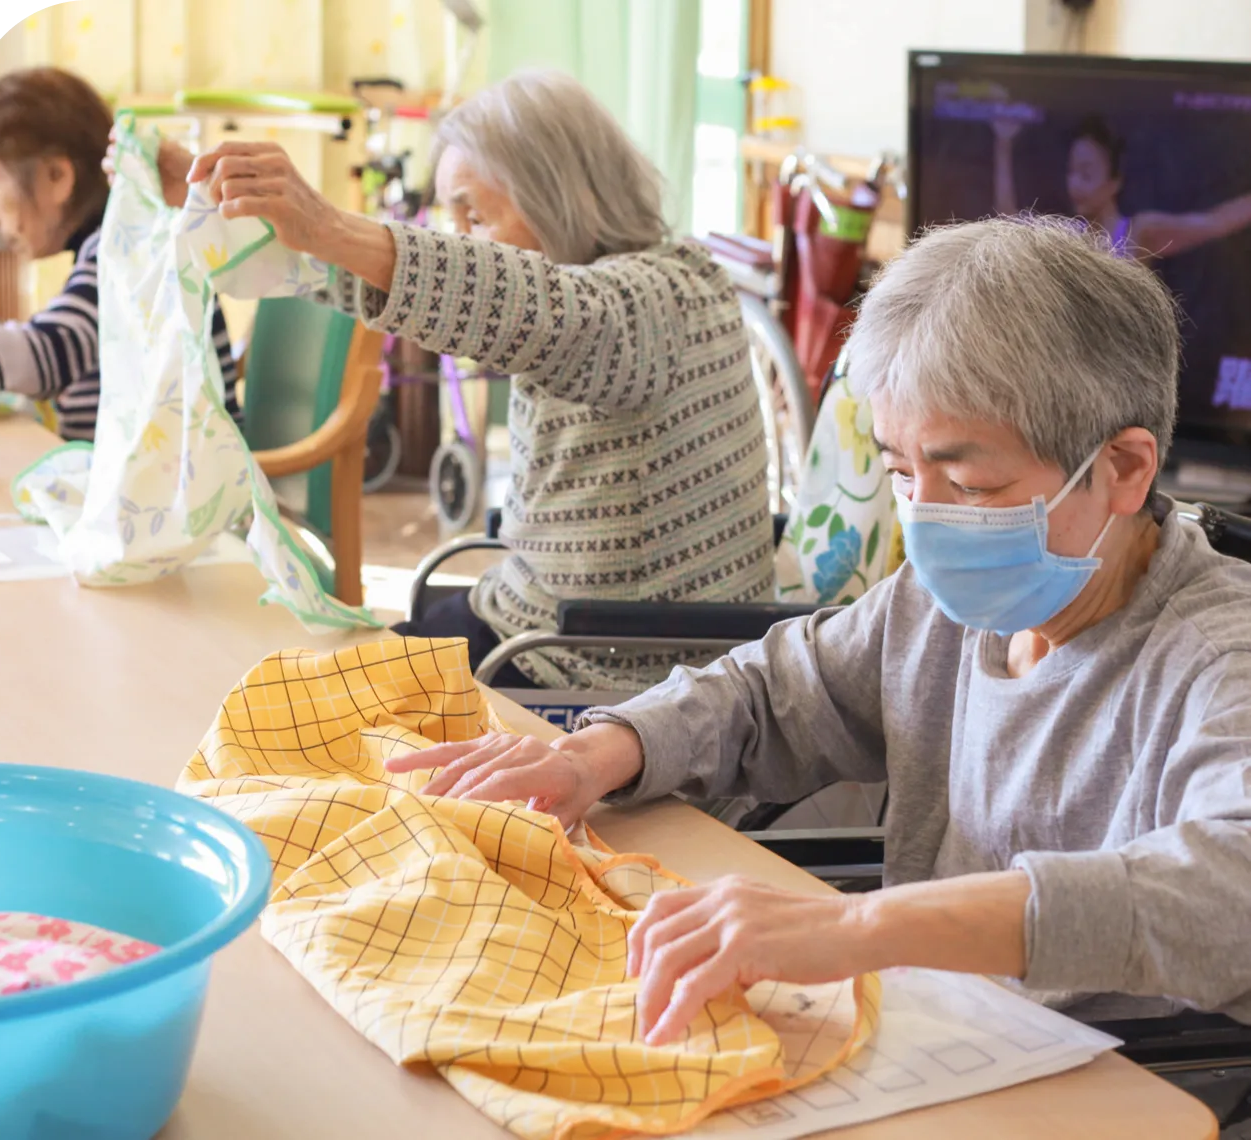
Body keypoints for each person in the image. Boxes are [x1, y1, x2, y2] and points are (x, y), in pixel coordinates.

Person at [384, 216, 1251, 1052]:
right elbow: (778, 689)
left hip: (1122, 1082)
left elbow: (1226, 890)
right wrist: (593, 756)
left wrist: (858, 926)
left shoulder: (1218, 653)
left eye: (973, 485)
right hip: (933, 1032)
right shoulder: (942, 607)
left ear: (1126, 468)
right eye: (903, 473)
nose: (927, 519)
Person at [169, 70, 773, 690]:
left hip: (607, 662)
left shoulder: (664, 296)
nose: (461, 241)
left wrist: (329, 227)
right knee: (331, 669)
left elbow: (539, 307)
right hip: (534, 617)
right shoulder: (636, 284)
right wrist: (229, 204)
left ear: (560, 197)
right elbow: (438, 287)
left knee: (325, 697)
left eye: (476, 217)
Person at [0, 67, 240, 441]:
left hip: (174, 489)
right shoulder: (112, 247)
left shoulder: (128, 251)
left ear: (56, 176)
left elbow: (46, 356)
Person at [993, 113, 1251, 260]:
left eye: (1086, 174)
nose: (1074, 184)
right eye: (1071, 172)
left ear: (1113, 183)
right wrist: (1003, 145)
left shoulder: (1139, 233)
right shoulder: (1068, 237)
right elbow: (1009, 224)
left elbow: (1215, 223)